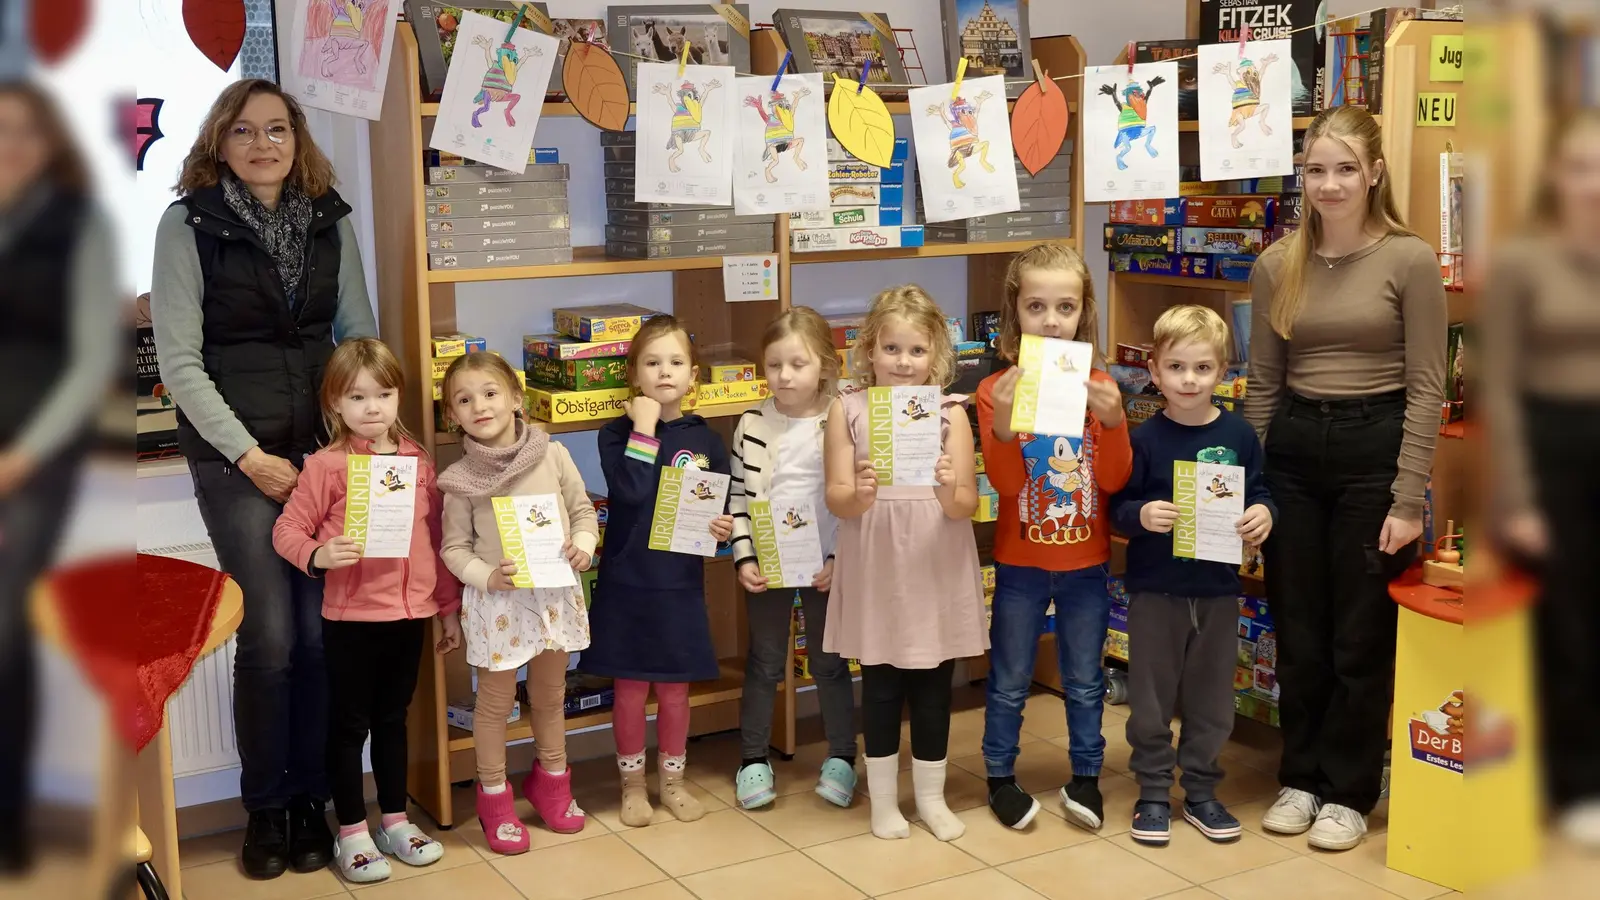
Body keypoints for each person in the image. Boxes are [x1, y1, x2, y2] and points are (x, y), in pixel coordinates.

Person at [151, 78, 377, 878]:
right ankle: (267, 809)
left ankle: (315, 799)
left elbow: (357, 339)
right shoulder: (188, 225)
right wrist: (249, 455)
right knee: (273, 638)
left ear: (297, 138)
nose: (262, 145)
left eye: (277, 130)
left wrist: (348, 447)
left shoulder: (329, 220)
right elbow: (179, 361)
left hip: (321, 459)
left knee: (321, 637)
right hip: (235, 460)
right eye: (244, 131)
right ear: (220, 142)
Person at [1244, 105, 1447, 852]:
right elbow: (1262, 385)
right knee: (1298, 628)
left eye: (1344, 169)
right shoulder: (1276, 264)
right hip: (1294, 451)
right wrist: (1252, 487)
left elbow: (1429, 387)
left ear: (1374, 173)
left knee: (1361, 633)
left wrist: (1407, 497)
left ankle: (1350, 790)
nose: (1329, 185)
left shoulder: (1409, 259)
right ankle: (1300, 778)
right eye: (1315, 170)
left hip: (1375, 448)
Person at [271, 338, 458, 884]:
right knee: (348, 725)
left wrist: (445, 609)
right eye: (357, 396)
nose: (372, 407)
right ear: (334, 404)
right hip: (350, 621)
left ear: (400, 395)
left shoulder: (418, 463)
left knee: (393, 721)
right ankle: (350, 829)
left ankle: (394, 820)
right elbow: (287, 530)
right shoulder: (326, 467)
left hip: (409, 617)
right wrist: (317, 555)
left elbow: (436, 538)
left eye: (384, 393)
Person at [0, 82, 118, 875]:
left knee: (4, 633)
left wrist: (19, 460)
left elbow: (89, 364)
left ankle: (8, 818)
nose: (8, 146)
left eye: (22, 132)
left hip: (32, 459)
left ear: (50, 143)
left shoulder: (80, 225)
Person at [975, 243, 1132, 832]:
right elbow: (1008, 484)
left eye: (1064, 307)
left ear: (1083, 311)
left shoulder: (1099, 385)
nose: (1050, 319)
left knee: (1086, 678)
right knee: (1011, 677)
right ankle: (998, 775)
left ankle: (1087, 778)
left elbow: (1114, 479)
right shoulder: (998, 388)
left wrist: (1115, 421)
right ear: (1015, 311)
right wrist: (1000, 424)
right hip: (1019, 563)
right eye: (1036, 306)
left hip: (1086, 563)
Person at [824, 285, 988, 842]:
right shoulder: (846, 409)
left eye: (916, 351)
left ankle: (932, 799)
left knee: (935, 683)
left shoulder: (951, 414)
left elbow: (966, 504)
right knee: (882, 682)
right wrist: (861, 494)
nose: (903, 362)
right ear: (869, 351)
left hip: (935, 552)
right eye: (891, 349)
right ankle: (884, 803)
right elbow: (837, 498)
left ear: (936, 355)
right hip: (876, 554)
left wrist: (948, 487)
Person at [1109, 306, 1275, 847]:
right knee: (1152, 699)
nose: (1188, 379)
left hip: (1218, 593)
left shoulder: (1240, 434)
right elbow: (1117, 507)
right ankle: (1154, 791)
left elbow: (1262, 490)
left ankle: (1201, 790)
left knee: (1211, 700)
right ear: (1154, 371)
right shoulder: (1144, 438)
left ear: (1223, 371)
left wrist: (1264, 515)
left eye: (1202, 368)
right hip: (1155, 590)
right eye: (1176, 367)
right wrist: (1141, 516)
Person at [1482, 109, 1600, 847]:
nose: (1595, 183)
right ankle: (1577, 781)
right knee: (1572, 629)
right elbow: (1496, 384)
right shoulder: (1524, 260)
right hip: (1553, 453)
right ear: (1557, 175)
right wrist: (1519, 497)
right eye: (1582, 166)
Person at [437, 351, 598, 853]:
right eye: (464, 400)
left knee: (550, 696)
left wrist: (584, 546)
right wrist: (486, 576)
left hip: (553, 596)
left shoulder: (553, 454)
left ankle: (552, 785)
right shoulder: (459, 480)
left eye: (489, 393)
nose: (479, 406)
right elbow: (453, 549)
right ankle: (494, 799)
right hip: (500, 606)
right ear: (452, 416)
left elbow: (582, 511)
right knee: (496, 706)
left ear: (515, 398)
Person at [584, 316, 733, 827]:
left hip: (678, 583)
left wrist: (719, 528)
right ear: (634, 375)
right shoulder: (614, 434)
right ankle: (631, 784)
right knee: (629, 688)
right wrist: (644, 429)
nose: (664, 372)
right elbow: (629, 492)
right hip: (628, 582)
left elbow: (713, 511)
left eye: (675, 362)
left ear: (693, 375)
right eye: (652, 362)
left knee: (674, 689)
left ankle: (672, 779)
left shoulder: (709, 441)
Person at [728, 307, 857, 810]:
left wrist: (840, 559)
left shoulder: (843, 417)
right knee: (763, 662)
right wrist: (743, 559)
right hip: (769, 563)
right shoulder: (752, 422)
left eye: (797, 364)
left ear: (825, 365)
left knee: (829, 663)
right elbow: (738, 496)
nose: (784, 376)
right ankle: (753, 759)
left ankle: (843, 756)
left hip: (827, 564)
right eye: (774, 364)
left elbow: (856, 501)